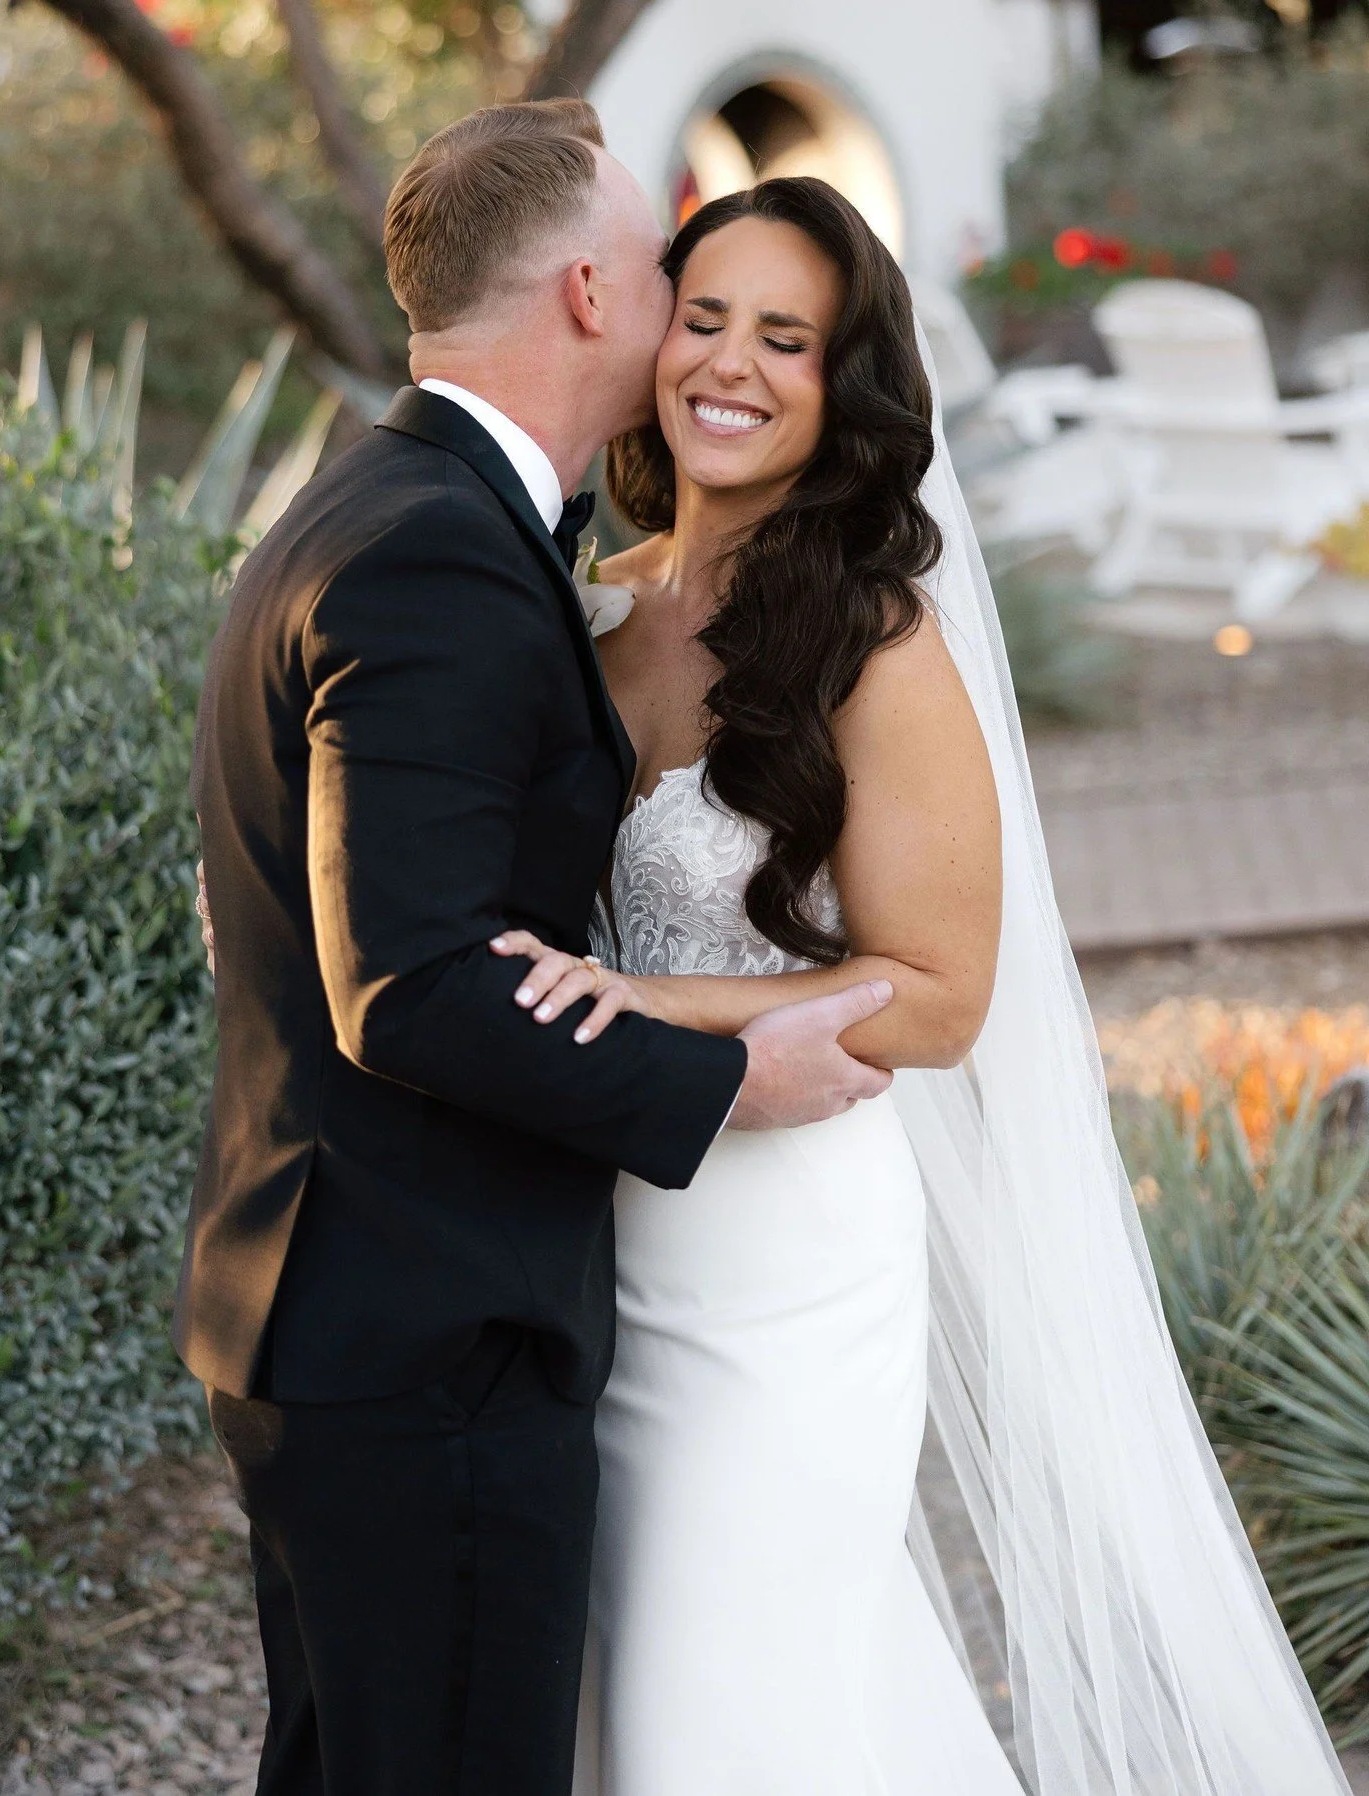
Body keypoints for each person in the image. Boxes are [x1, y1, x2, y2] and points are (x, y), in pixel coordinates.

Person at [492, 179, 1354, 1796]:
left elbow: (946, 995)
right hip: (589, 1255)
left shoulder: (873, 646)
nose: (731, 366)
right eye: (706, 318)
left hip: (786, 1271)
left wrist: (640, 1005)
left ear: (844, 389)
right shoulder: (589, 605)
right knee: (722, 1701)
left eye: (788, 338)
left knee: (716, 1704)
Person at [177, 103, 896, 1796]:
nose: (683, 304)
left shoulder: (387, 501)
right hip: (426, 1343)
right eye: (664, 269)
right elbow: (412, 986)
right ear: (590, 295)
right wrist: (721, 1077)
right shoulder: (432, 551)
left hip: (340, 1314)